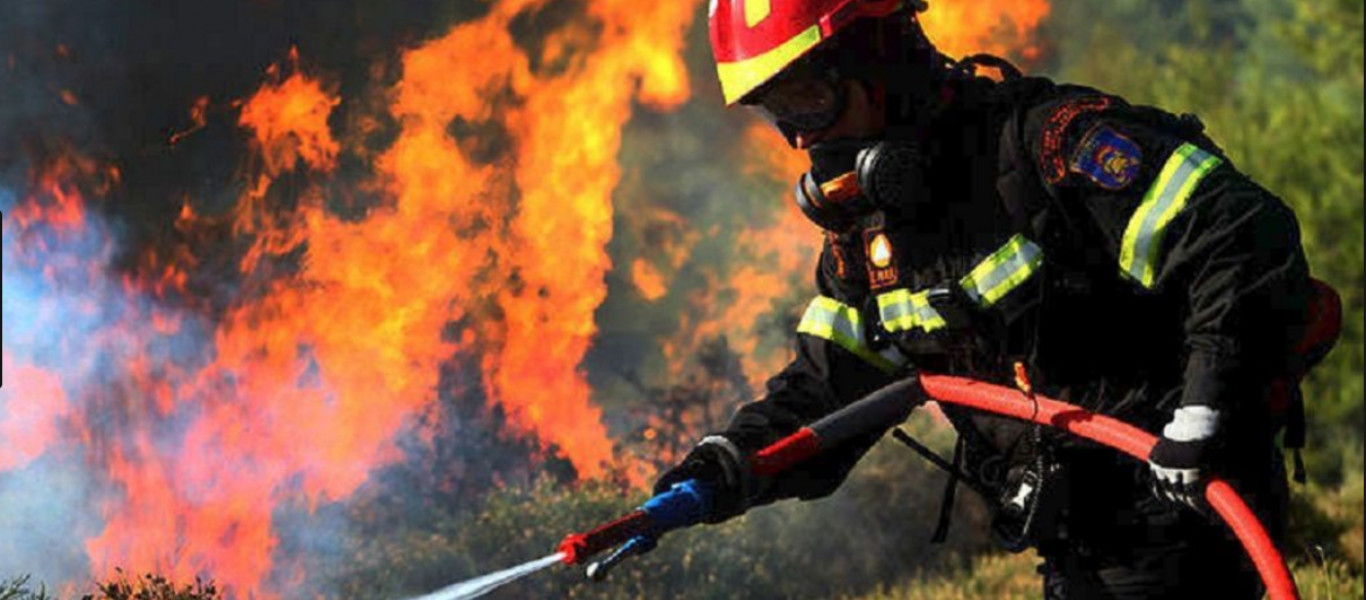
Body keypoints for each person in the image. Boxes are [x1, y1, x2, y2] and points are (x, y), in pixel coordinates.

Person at [654, 1, 1322, 597]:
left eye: (806, 101)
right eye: (779, 115)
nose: (799, 138)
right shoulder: (871, 237)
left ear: (876, 59)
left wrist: (1205, 412)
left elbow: (1239, 234)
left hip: (1185, 511)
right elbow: (830, 384)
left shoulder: (1048, 147)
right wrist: (726, 466)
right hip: (1076, 543)